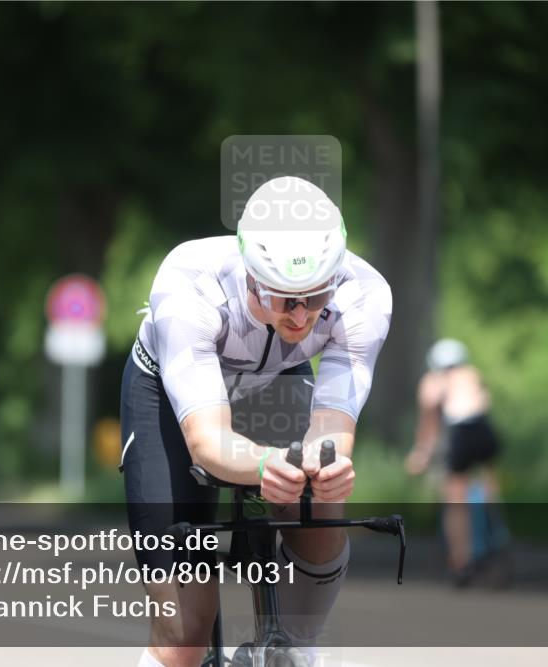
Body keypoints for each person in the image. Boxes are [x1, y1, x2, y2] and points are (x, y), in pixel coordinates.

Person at [119, 176, 392, 667]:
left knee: (320, 497)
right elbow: (207, 442)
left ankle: (295, 647)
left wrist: (324, 469)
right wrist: (267, 464)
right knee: (184, 635)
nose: (300, 317)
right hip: (168, 390)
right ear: (249, 275)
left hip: (276, 379)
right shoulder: (190, 282)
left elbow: (332, 430)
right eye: (282, 298)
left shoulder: (364, 294)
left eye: (316, 298)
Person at [404, 338, 502, 583]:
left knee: (455, 499)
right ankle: (496, 532)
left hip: (459, 435)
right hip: (484, 432)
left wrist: (421, 454)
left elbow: (429, 425)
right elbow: (483, 405)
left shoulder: (432, 380)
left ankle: (460, 561)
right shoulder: (472, 374)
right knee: (488, 482)